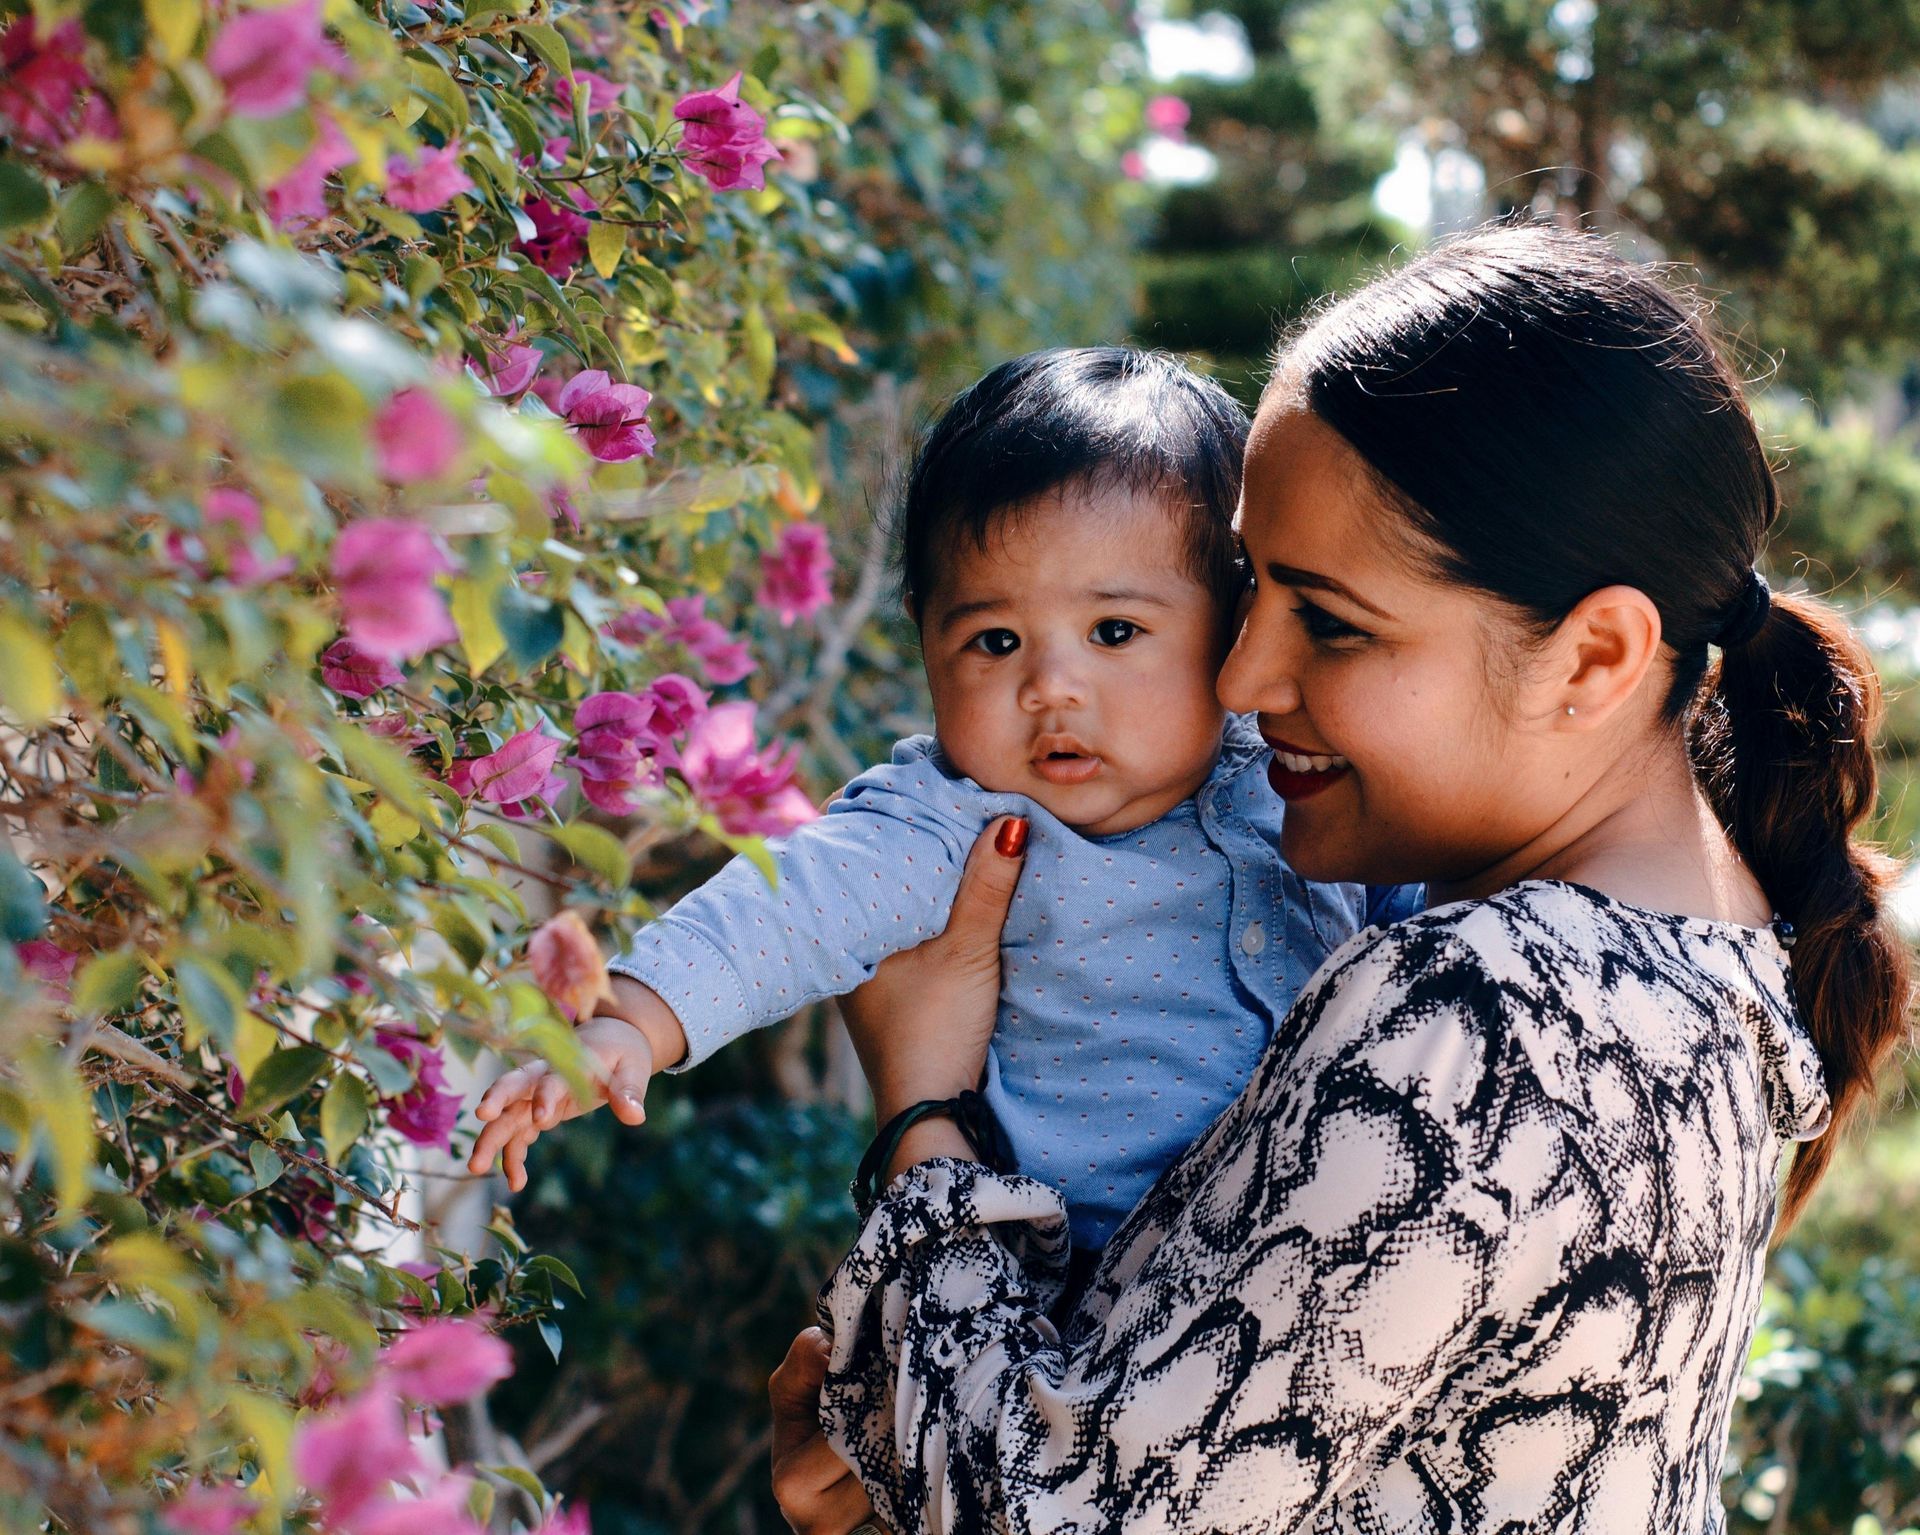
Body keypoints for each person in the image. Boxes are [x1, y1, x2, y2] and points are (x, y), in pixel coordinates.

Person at [769, 221, 1914, 1533]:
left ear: (1595, 656)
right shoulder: (1706, 955)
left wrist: (927, 1114)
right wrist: (903, 1428)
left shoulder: (1481, 1016)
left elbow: (1053, 1514)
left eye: (1330, 617)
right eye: (1251, 589)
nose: (1243, 679)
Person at [466, 348, 1417, 1278]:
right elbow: (787, 907)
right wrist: (632, 1021)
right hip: (1067, 1280)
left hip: (1314, 1250)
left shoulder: (1298, 778)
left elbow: (1431, 913)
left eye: (1115, 632)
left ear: (1234, 621)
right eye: (995, 641)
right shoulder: (949, 824)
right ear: (926, 637)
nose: (1051, 687)